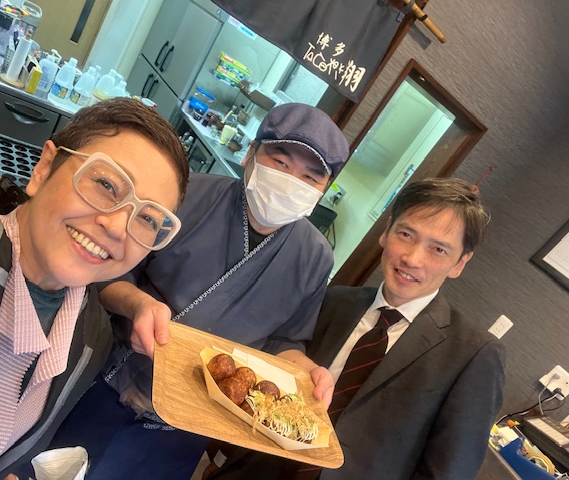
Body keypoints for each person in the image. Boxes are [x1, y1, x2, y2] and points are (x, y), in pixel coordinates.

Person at [47, 102, 350, 479]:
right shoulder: (186, 197)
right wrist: (138, 304)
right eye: (281, 162)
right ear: (250, 154)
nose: (291, 182)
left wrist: (307, 372)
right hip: (108, 378)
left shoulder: (316, 257)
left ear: (323, 190)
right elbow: (108, 273)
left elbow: (286, 341)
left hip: (196, 419)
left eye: (309, 177)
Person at [206, 177, 506, 480]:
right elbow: (278, 359)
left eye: (438, 250)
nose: (413, 259)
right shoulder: (335, 301)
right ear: (386, 232)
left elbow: (447, 472)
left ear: (460, 263)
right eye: (406, 234)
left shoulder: (474, 354)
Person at [0, 97, 189, 480]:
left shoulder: (90, 336)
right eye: (106, 184)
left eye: (148, 219)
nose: (117, 227)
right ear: (44, 168)